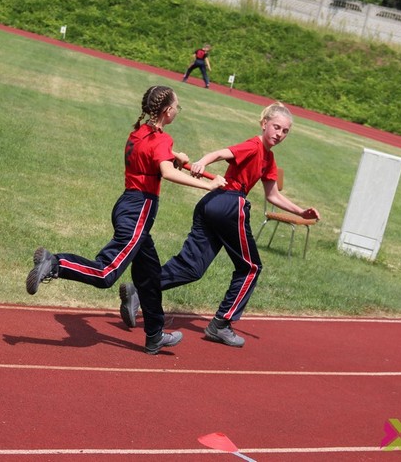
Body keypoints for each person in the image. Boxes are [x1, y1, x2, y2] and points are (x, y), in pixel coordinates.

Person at [26, 86, 226, 355]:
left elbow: (156, 156)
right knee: (106, 273)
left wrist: (175, 155)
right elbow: (165, 172)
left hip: (126, 205)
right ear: (168, 111)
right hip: (139, 211)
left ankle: (154, 334)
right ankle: (56, 263)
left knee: (150, 276)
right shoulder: (161, 141)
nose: (178, 110)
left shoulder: (139, 132)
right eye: (178, 107)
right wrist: (207, 186)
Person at [118, 102, 320, 347]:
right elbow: (221, 153)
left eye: (285, 131)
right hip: (229, 204)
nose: (279, 134)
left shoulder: (269, 158)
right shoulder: (254, 145)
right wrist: (203, 162)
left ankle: (140, 291)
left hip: (210, 205)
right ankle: (221, 324)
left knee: (192, 268)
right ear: (264, 123)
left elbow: (273, 195)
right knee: (251, 268)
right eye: (276, 127)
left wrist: (301, 212)